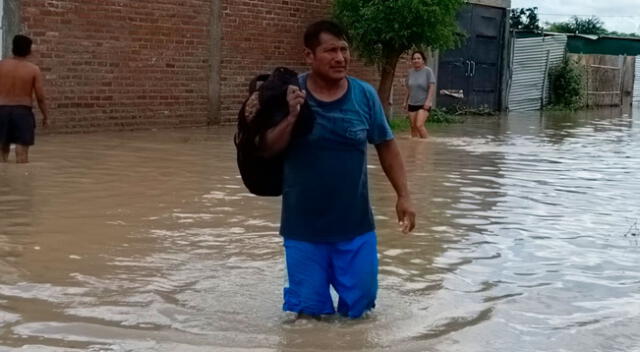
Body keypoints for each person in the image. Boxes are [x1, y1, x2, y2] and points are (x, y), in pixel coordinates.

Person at [261, 20, 416, 319]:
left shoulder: (364, 96)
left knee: (360, 313)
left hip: (355, 228)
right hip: (303, 229)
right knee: (309, 318)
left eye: (344, 50)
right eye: (330, 50)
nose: (340, 58)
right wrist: (292, 117)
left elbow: (386, 145)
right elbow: (266, 148)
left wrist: (404, 195)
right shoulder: (290, 94)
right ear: (309, 55)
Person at [0, 34, 50, 163]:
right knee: (22, 154)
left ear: (13, 48)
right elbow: (40, 97)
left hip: (1, 111)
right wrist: (46, 116)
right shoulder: (33, 70)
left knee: (1, 151)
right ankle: (21, 181)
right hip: (22, 113)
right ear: (29, 50)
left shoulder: (1, 65)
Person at [403, 50, 436, 139]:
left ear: (423, 60)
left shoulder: (428, 71)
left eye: (418, 58)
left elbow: (431, 87)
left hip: (424, 104)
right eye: (414, 59)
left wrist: (428, 101)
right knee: (413, 128)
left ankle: (426, 144)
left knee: (419, 125)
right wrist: (405, 102)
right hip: (412, 103)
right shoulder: (410, 72)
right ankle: (416, 148)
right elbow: (409, 88)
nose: (416, 60)